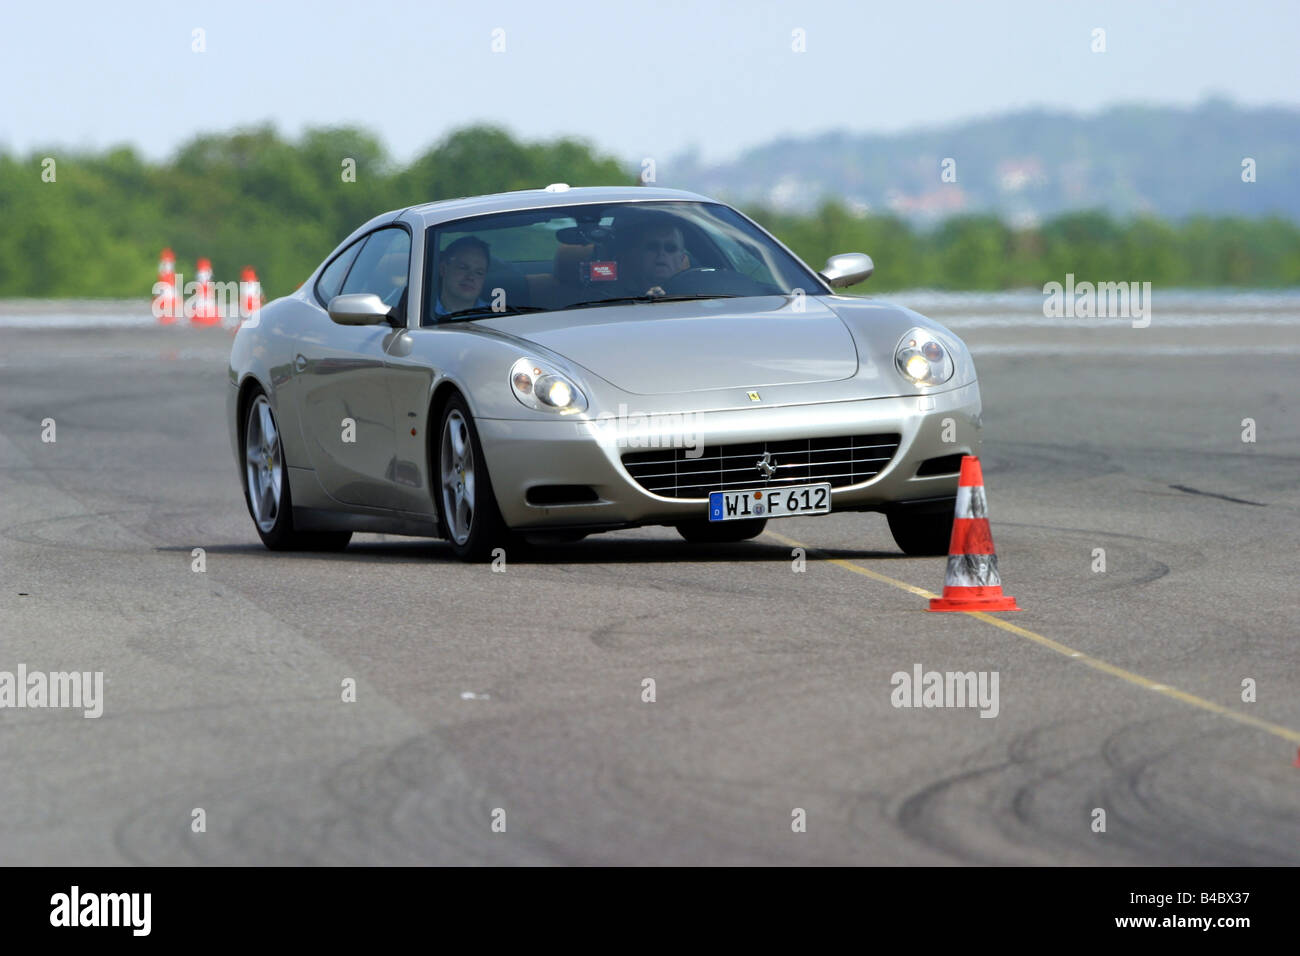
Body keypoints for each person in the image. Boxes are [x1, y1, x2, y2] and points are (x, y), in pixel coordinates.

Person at [616, 214, 690, 295]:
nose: (661, 253)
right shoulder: (612, 296)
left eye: (670, 248)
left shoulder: (696, 295)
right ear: (636, 255)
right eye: (652, 247)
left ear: (682, 259)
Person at [434, 236, 491, 317]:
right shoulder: (418, 309)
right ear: (443, 269)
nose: (471, 277)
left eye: (479, 273)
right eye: (463, 267)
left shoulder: (495, 316)